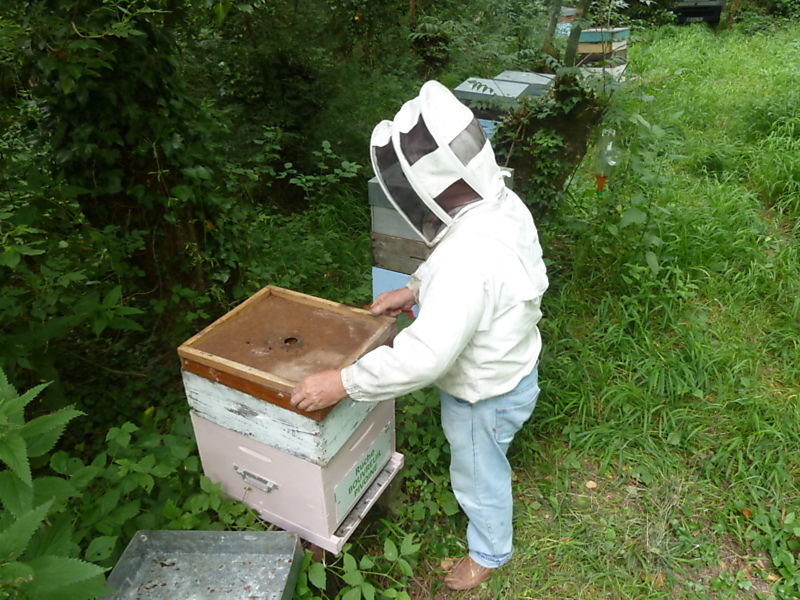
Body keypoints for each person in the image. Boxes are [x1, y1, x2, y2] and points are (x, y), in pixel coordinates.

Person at [290, 80, 548, 591]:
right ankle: (496, 465)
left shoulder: (467, 261)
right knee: (492, 448)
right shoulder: (500, 205)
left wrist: (342, 383)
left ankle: (490, 550)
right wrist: (412, 290)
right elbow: (459, 264)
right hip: (517, 370)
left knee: (478, 473)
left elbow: (424, 357)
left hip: (482, 396)